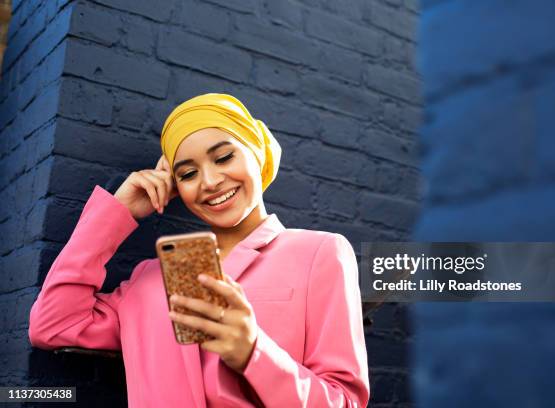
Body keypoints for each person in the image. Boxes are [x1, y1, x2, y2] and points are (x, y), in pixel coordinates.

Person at [28, 94, 370, 407]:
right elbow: (52, 324)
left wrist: (253, 352)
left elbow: (345, 401)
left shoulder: (320, 252)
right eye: (188, 173)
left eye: (224, 157)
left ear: (257, 152)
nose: (209, 181)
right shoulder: (150, 279)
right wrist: (119, 213)